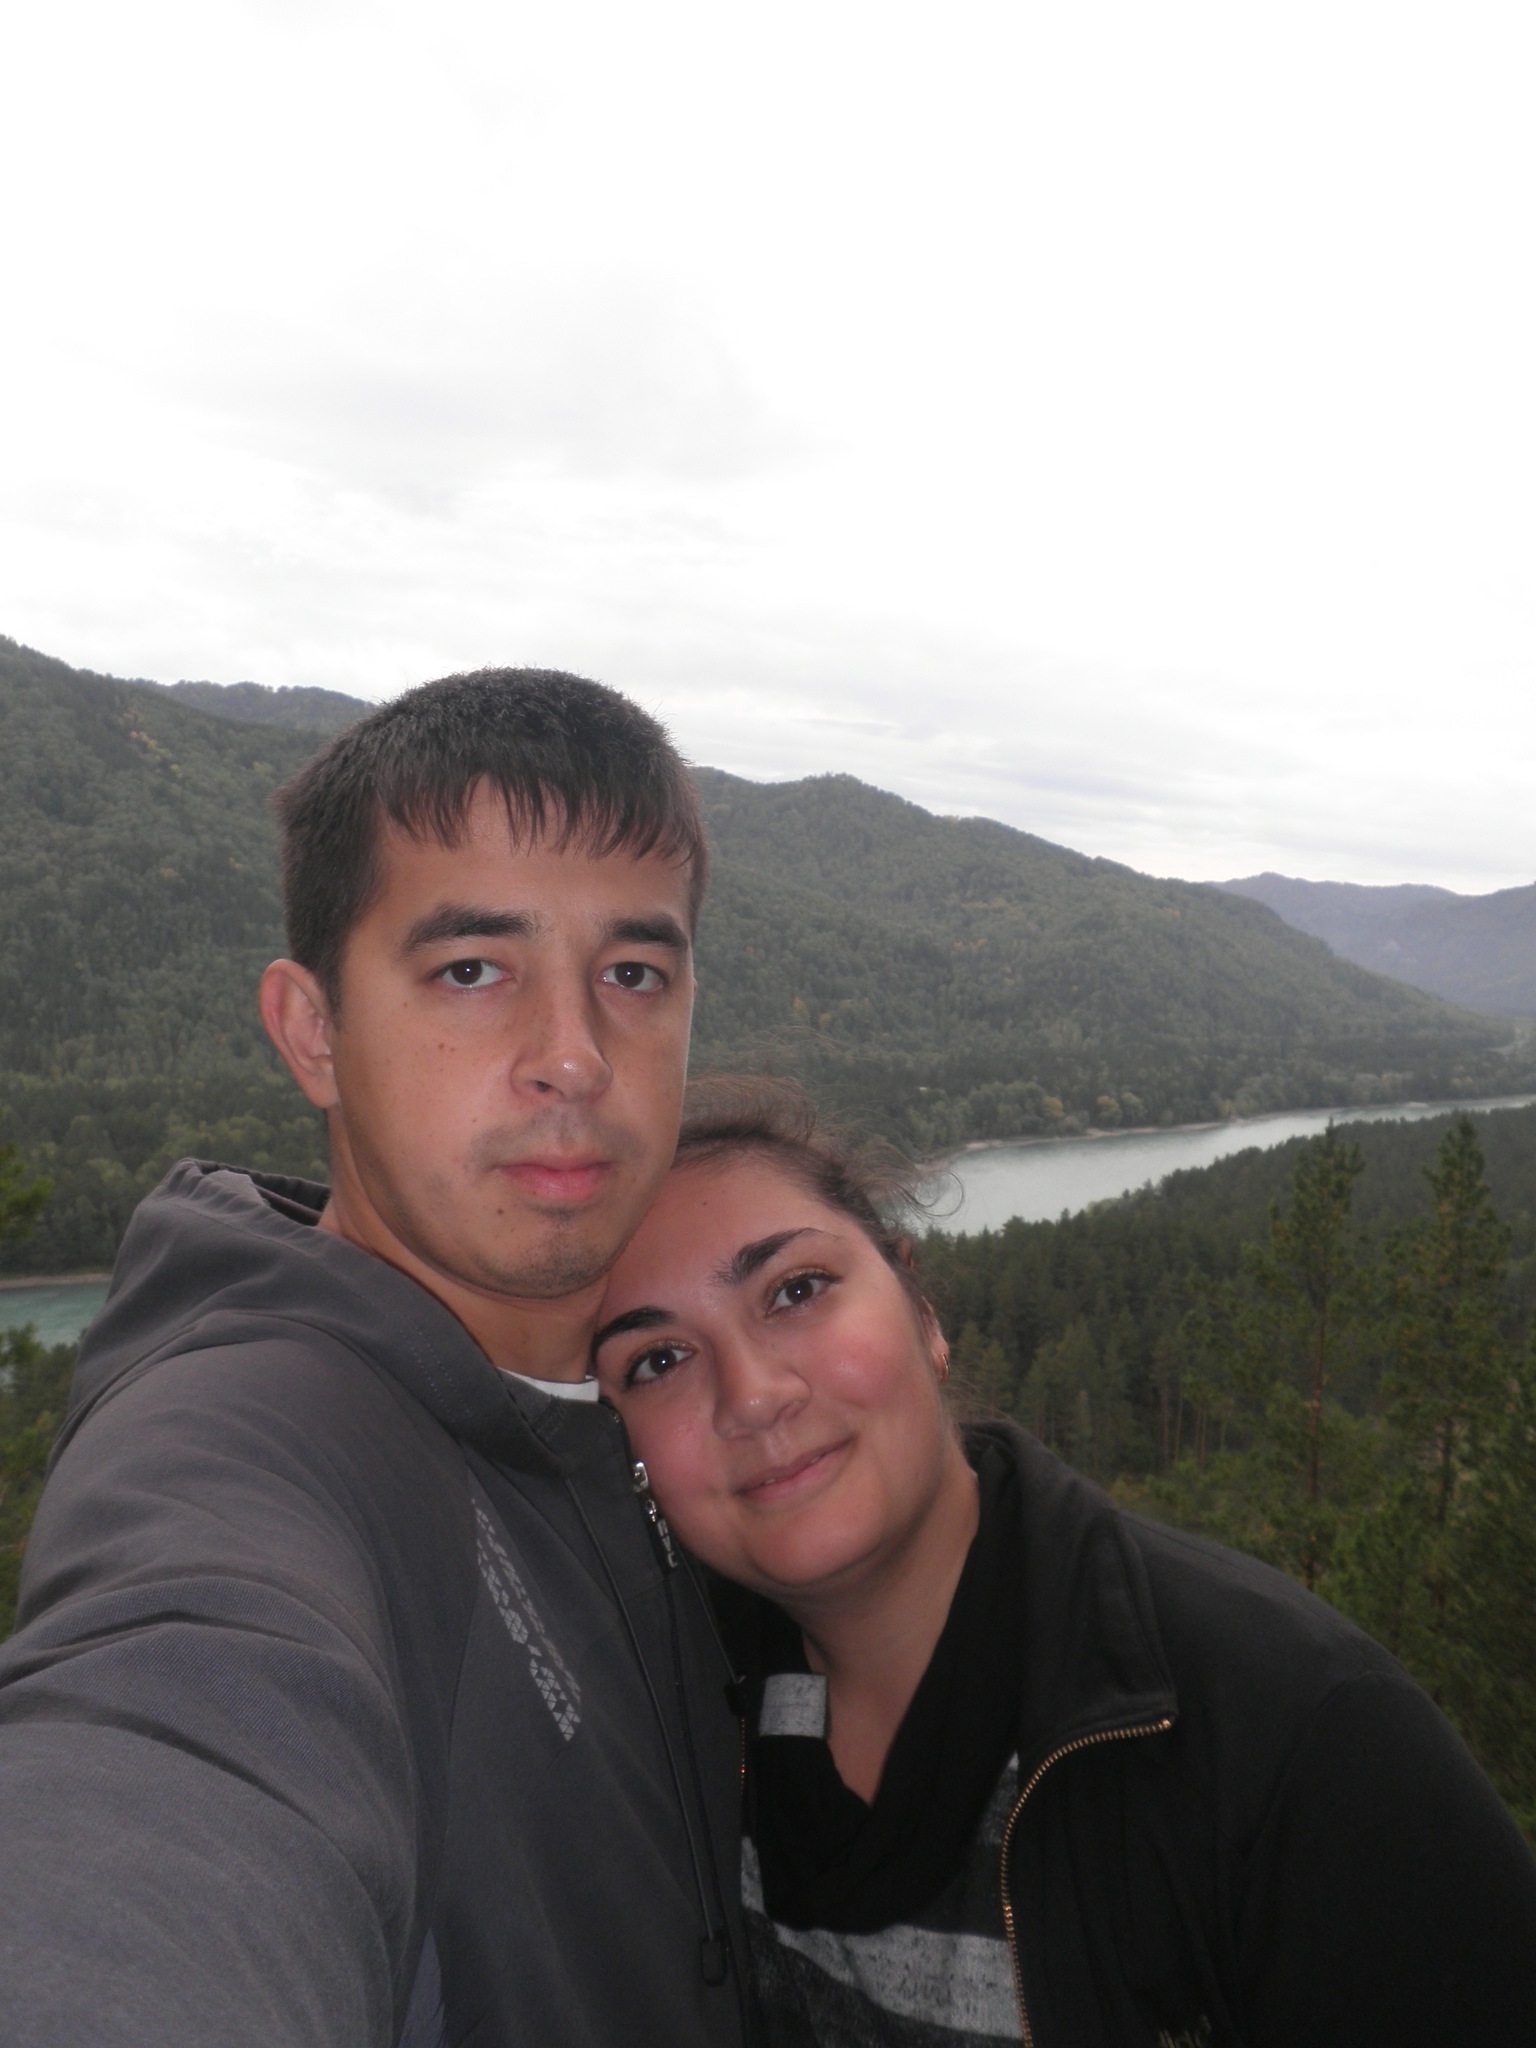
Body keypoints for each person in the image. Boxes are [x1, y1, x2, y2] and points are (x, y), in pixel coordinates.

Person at [0, 670, 751, 2048]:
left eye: (633, 973)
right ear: (314, 1032)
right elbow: (168, 1777)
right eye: (472, 969)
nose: (574, 1056)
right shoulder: (248, 1443)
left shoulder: (656, 1410)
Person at [593, 1075, 1536, 2048]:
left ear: (921, 1308)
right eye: (657, 1360)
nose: (753, 1394)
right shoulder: (648, 1737)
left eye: (795, 1290)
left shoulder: (1301, 1744)